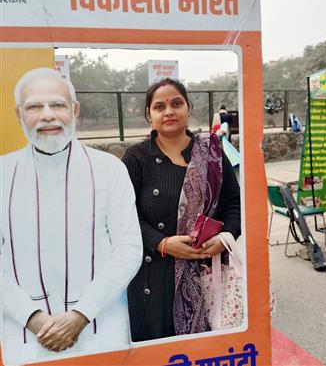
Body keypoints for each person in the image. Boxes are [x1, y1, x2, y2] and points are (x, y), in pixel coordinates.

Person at [1, 68, 143, 365]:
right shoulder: (3, 173)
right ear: (19, 115)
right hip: (26, 336)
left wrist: (80, 315)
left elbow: (129, 249)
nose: (47, 115)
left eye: (58, 105)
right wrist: (32, 318)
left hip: (99, 329)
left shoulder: (109, 169)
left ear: (75, 110)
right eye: (34, 106)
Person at [122, 78, 241, 342]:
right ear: (149, 115)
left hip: (207, 275)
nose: (169, 112)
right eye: (159, 106)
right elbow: (123, 218)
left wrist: (224, 238)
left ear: (188, 107)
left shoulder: (211, 151)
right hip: (152, 278)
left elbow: (235, 204)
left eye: (176, 103)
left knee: (206, 350)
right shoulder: (136, 157)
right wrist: (162, 242)